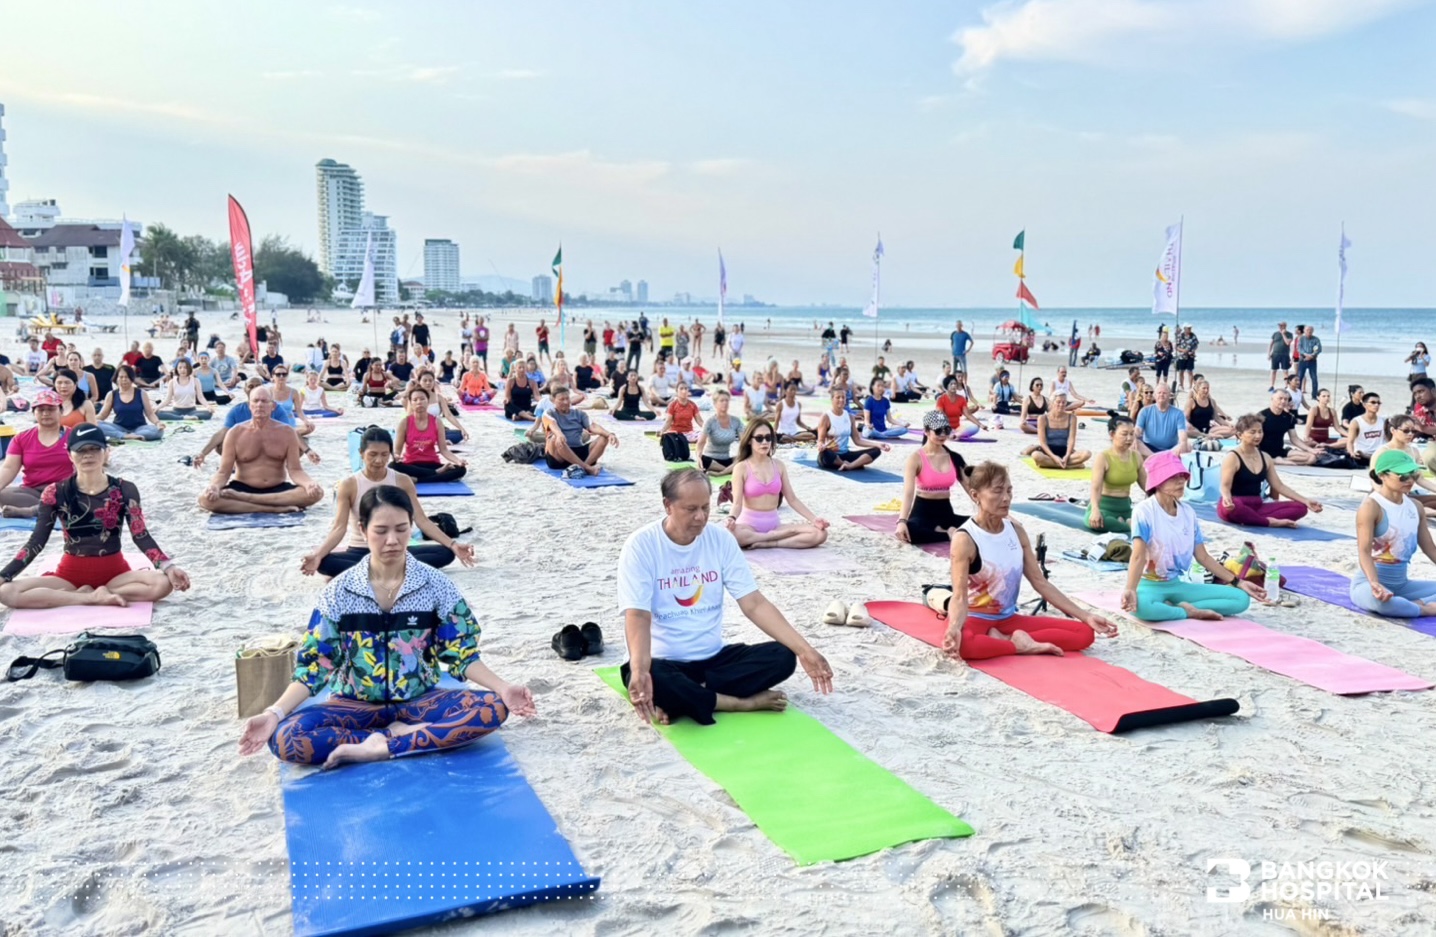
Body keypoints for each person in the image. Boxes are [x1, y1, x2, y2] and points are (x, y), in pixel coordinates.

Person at [243, 484, 534, 767]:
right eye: (381, 531)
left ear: (412, 528)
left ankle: (381, 746)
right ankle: (395, 738)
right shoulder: (339, 592)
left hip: (420, 702)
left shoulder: (436, 585)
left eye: (401, 529)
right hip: (354, 706)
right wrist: (273, 713)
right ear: (363, 529)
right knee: (286, 738)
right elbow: (315, 665)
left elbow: (461, 653)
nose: (392, 540)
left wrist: (503, 687)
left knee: (492, 707)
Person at [617, 469, 833, 725]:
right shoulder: (641, 545)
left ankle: (686, 698)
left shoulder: (721, 540)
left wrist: (805, 650)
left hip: (714, 660)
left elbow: (754, 604)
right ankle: (737, 703)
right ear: (668, 505)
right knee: (650, 676)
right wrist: (640, 670)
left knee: (783, 656)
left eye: (705, 507)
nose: (700, 517)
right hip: (662, 660)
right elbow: (638, 615)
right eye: (691, 509)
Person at [0, 424, 190, 608]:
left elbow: (140, 535)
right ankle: (90, 597)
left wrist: (168, 567)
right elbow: (37, 541)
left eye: (94, 449)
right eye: (81, 450)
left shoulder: (125, 489)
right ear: (70, 455)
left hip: (116, 575)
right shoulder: (55, 492)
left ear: (106, 452)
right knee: (7, 592)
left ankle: (94, 594)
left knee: (163, 584)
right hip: (69, 576)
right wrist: (5, 575)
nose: (88, 455)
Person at [940, 461, 1117, 659]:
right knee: (964, 646)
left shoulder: (1016, 531)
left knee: (1084, 633)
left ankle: (1005, 640)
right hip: (975, 618)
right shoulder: (965, 538)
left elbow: (1040, 582)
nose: (1006, 498)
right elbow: (959, 596)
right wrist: (954, 627)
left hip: (1008, 619)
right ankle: (1015, 644)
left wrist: (1086, 616)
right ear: (975, 495)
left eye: (1009, 490)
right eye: (997, 491)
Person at [303, 427, 474, 577]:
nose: (379, 460)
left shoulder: (402, 481)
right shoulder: (348, 485)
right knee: (324, 563)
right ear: (361, 453)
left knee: (445, 553)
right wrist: (317, 555)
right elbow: (339, 528)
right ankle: (391, 570)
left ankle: (378, 570)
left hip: (396, 550)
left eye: (384, 455)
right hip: (362, 551)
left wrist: (453, 545)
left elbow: (421, 520)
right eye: (372, 454)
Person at [1121, 451, 1267, 622]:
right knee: (1142, 608)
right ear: (1158, 481)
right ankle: (1186, 612)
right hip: (1148, 584)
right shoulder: (1144, 511)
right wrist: (1130, 588)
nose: (1181, 481)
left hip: (1176, 584)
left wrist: (1238, 582)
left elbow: (1203, 557)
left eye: (1182, 476)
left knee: (1241, 599)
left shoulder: (1188, 513)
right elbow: (1138, 556)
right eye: (1173, 477)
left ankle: (1179, 607)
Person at [198, 386, 324, 514]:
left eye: (264, 401)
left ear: (272, 406)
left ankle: (249, 500)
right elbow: (223, 472)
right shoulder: (235, 433)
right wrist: (214, 486)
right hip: (242, 487)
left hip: (277, 489)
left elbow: (295, 470)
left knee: (317, 493)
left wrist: (309, 484)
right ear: (249, 405)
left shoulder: (287, 432)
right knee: (205, 499)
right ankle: (269, 508)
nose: (259, 405)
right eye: (256, 401)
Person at [1350, 450, 1436, 618]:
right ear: (1382, 475)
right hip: (1369, 582)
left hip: (1402, 584)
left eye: (1413, 474)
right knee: (1380, 602)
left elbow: (1430, 549)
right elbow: (1364, 551)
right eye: (1403, 476)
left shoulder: (1416, 507)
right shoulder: (1371, 506)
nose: (1410, 480)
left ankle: (1414, 603)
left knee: (1392, 601)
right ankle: (1425, 609)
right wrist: (1375, 583)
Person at [725, 419, 829, 549]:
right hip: (748, 526)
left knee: (820, 534)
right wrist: (731, 518)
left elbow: (792, 499)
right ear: (749, 440)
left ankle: (770, 542)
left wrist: (814, 519)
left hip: (775, 526)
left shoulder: (779, 465)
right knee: (733, 534)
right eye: (759, 438)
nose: (764, 442)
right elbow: (737, 504)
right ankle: (772, 537)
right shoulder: (741, 467)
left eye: (768, 438)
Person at [1217, 415, 1323, 527]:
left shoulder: (1266, 457)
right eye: (1252, 432)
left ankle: (1254, 518)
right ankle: (1269, 522)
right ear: (1240, 435)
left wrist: (1305, 500)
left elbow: (1279, 486)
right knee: (1236, 506)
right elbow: (1225, 486)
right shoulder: (1232, 457)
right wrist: (1227, 498)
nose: (1258, 436)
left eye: (1260, 431)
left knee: (1300, 508)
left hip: (1257, 506)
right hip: (1235, 505)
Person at [896, 411, 973, 544]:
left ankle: (945, 530)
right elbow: (908, 493)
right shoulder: (915, 458)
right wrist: (902, 521)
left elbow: (972, 489)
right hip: (922, 512)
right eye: (938, 431)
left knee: (985, 524)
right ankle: (947, 534)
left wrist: (992, 513)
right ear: (926, 431)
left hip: (946, 512)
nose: (943, 434)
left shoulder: (954, 457)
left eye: (946, 430)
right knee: (912, 532)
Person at [0, 391, 74, 517]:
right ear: (34, 413)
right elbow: (9, 468)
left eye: (51, 409)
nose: (45, 413)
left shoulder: (73, 436)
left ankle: (34, 511)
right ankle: (47, 509)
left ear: (61, 411)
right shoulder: (21, 438)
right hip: (33, 491)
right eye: (41, 410)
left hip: (64, 490)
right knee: (3, 495)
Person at [393, 387, 467, 483]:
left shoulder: (436, 422)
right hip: (411, 464)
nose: (419, 402)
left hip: (431, 463)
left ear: (428, 401)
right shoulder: (405, 422)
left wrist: (458, 461)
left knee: (460, 470)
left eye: (422, 399)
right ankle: (434, 473)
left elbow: (444, 450)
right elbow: (397, 451)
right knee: (392, 466)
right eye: (415, 400)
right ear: (410, 403)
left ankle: (418, 479)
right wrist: (396, 456)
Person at [1085, 416, 1146, 532]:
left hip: (1125, 508)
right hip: (1104, 507)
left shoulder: (1136, 456)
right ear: (1112, 434)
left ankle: (1125, 523)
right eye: (1124, 434)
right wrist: (1095, 510)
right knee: (1097, 523)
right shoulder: (1103, 457)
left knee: (1148, 521)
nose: (1129, 438)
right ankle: (1129, 525)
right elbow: (1096, 487)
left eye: (1132, 434)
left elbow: (1147, 485)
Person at [543, 385, 618, 475]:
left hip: (578, 451)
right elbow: (552, 425)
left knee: (604, 437)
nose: (566, 402)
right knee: (555, 438)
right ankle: (586, 468)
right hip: (559, 457)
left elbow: (592, 426)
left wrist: (609, 434)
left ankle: (583, 467)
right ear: (553, 400)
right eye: (561, 399)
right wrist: (559, 434)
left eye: (567, 398)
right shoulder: (549, 413)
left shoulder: (579, 413)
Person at [816, 388, 888, 470]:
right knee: (826, 453)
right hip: (831, 456)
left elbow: (857, 440)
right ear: (832, 399)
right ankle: (845, 464)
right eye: (838, 397)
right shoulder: (826, 417)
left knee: (876, 450)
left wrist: (878, 444)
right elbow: (820, 440)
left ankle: (849, 466)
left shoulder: (850, 417)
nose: (841, 400)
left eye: (843, 397)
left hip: (846, 454)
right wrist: (821, 445)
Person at [96, 366, 166, 442]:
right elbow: (102, 415)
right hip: (118, 428)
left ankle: (133, 435)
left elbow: (150, 414)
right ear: (116, 379)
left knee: (158, 431)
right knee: (97, 424)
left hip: (139, 429)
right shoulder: (112, 394)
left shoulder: (141, 393)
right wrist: (91, 420)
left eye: (126, 377)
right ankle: (124, 436)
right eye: (121, 377)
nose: (124, 380)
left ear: (131, 378)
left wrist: (158, 423)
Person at [1032, 392, 1090, 469]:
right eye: (1058, 402)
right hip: (1048, 454)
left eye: (1064, 402)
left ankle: (1054, 464)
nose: (1061, 404)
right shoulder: (1043, 418)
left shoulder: (1072, 418)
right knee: (1036, 455)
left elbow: (1071, 440)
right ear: (1052, 403)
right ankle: (1071, 466)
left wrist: (1067, 455)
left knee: (1087, 454)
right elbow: (1043, 443)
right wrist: (1054, 457)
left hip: (1066, 453)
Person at [694, 389, 742, 475]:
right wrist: (698, 457)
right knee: (703, 459)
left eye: (727, 400)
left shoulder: (736, 421)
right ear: (715, 403)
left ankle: (722, 472)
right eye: (722, 400)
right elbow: (701, 443)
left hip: (727, 459)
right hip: (711, 460)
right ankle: (730, 470)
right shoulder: (710, 422)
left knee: (745, 457)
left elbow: (744, 441)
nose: (725, 403)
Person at [1135, 383, 1187, 457]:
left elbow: (1182, 433)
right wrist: (1134, 436)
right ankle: (1156, 457)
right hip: (1148, 448)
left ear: (1170, 396)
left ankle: (1161, 457)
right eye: (1159, 393)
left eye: (1164, 393)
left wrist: (1183, 442)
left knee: (1187, 445)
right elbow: (1138, 430)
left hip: (1171, 449)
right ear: (1155, 395)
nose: (1161, 395)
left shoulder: (1178, 413)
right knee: (1135, 442)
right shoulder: (1145, 411)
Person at [1343, 391, 1388, 466]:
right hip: (1363, 455)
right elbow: (1350, 441)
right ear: (1364, 405)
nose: (1376, 405)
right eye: (1373, 402)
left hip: (1380, 455)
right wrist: (1351, 453)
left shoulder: (1384, 420)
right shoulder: (1356, 422)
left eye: (1378, 403)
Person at [659, 380, 704, 450]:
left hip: (689, 433)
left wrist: (709, 431)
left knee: (704, 436)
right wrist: (662, 431)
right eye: (681, 389)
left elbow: (700, 421)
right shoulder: (672, 405)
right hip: (675, 433)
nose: (684, 391)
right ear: (677, 391)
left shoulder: (693, 405)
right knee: (673, 438)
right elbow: (668, 422)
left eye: (686, 389)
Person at [1267, 321, 1293, 392]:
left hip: (1285, 355)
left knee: (1285, 371)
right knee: (1273, 370)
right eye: (1279, 326)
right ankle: (1272, 385)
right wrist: (1269, 354)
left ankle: (1286, 385)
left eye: (1282, 325)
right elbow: (1271, 344)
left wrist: (1283, 334)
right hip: (1275, 354)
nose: (1280, 327)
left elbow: (1287, 343)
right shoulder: (1275, 334)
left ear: (1285, 326)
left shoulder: (1289, 334)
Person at [1295, 325, 1322, 395]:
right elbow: (1299, 348)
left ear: (1313, 331)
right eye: (1307, 330)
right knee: (1299, 377)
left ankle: (1314, 395)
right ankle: (1298, 394)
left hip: (1312, 360)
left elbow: (1318, 349)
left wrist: (1312, 355)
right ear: (1304, 331)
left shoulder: (1316, 339)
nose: (1309, 331)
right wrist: (1306, 354)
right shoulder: (1301, 339)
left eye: (1310, 330)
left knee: (1314, 378)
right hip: (1303, 360)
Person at [1174, 324, 1198, 390]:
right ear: (1184, 329)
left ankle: (1190, 386)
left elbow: (1196, 345)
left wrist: (1193, 351)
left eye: (1190, 328)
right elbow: (1176, 347)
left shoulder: (1193, 336)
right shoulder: (1180, 336)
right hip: (1182, 356)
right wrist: (1183, 350)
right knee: (1181, 371)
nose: (1189, 330)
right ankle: (1181, 386)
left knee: (1190, 371)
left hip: (1190, 356)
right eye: (1188, 328)